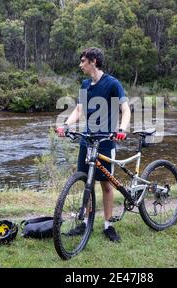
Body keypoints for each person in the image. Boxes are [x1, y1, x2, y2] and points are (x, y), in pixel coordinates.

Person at [56, 47, 131, 242]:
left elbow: (125, 109)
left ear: (94, 61)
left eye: (83, 61)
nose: (81, 65)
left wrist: (122, 129)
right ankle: (86, 223)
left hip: (105, 142)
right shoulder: (84, 84)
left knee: (107, 186)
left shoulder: (112, 84)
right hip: (86, 141)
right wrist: (65, 125)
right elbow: (79, 111)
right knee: (86, 182)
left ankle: (108, 225)